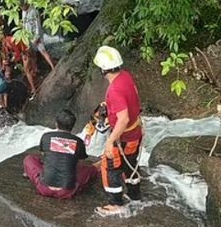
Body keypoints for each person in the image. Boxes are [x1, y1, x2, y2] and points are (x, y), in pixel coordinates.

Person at [93, 46, 143, 216]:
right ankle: (134, 194)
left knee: (109, 166)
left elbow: (123, 119)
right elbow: (133, 96)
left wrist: (110, 140)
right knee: (131, 162)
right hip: (136, 132)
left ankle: (115, 204)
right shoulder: (125, 76)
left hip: (124, 136)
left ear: (103, 69)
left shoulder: (114, 90)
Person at [23, 109, 98, 199]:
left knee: (29, 159)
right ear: (72, 126)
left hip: (44, 188)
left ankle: (28, 173)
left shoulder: (46, 136)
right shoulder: (78, 142)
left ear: (56, 124)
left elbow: (44, 154)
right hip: (67, 191)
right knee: (90, 169)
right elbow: (81, 159)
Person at [20, 0, 54, 97]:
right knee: (33, 54)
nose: (22, 9)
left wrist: (36, 37)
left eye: (23, 6)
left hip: (35, 35)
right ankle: (35, 70)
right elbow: (24, 25)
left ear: (26, 4)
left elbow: (37, 26)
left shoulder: (33, 11)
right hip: (28, 37)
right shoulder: (23, 12)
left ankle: (53, 67)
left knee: (43, 51)